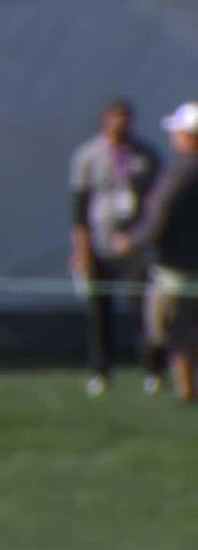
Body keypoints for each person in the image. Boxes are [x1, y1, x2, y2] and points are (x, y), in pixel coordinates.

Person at [68, 98, 162, 396]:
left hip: (135, 246)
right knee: (99, 312)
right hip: (100, 243)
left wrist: (142, 239)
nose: (122, 123)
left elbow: (156, 205)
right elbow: (79, 210)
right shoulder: (88, 156)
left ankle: (152, 370)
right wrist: (81, 251)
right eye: (116, 117)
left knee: (142, 310)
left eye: (127, 118)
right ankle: (100, 372)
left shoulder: (146, 155)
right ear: (104, 119)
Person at [115, 102, 198, 403]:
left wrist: (130, 242)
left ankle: (186, 390)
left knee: (173, 329)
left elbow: (158, 216)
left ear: (189, 136)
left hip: (177, 268)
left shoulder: (181, 173)